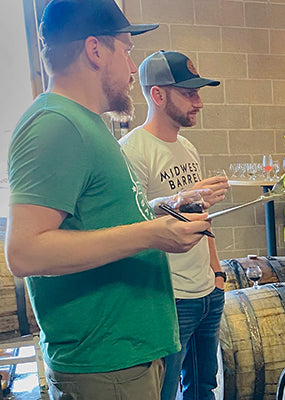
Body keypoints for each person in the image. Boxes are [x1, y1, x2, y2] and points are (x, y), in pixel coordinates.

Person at [5, 1, 213, 399]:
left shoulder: (85, 122)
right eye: (127, 49)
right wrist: (152, 234)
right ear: (95, 50)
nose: (133, 68)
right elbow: (26, 252)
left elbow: (94, 220)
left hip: (127, 357)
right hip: (105, 364)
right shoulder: (55, 125)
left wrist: (163, 208)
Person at [119, 50, 229, 400]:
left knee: (203, 389)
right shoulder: (131, 151)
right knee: (165, 392)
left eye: (198, 93)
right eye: (189, 93)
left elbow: (202, 218)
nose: (199, 102)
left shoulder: (188, 147)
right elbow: (129, 224)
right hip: (169, 300)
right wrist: (174, 200)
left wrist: (217, 275)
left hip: (206, 293)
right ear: (158, 95)